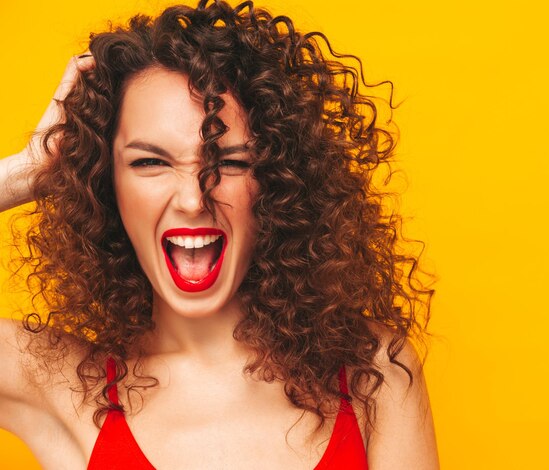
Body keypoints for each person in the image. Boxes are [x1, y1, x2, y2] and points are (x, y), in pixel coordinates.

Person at [0, 0, 439, 468]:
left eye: (230, 163)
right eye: (150, 162)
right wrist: (28, 171)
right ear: (104, 181)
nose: (193, 200)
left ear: (278, 179)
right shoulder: (59, 383)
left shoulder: (373, 371)